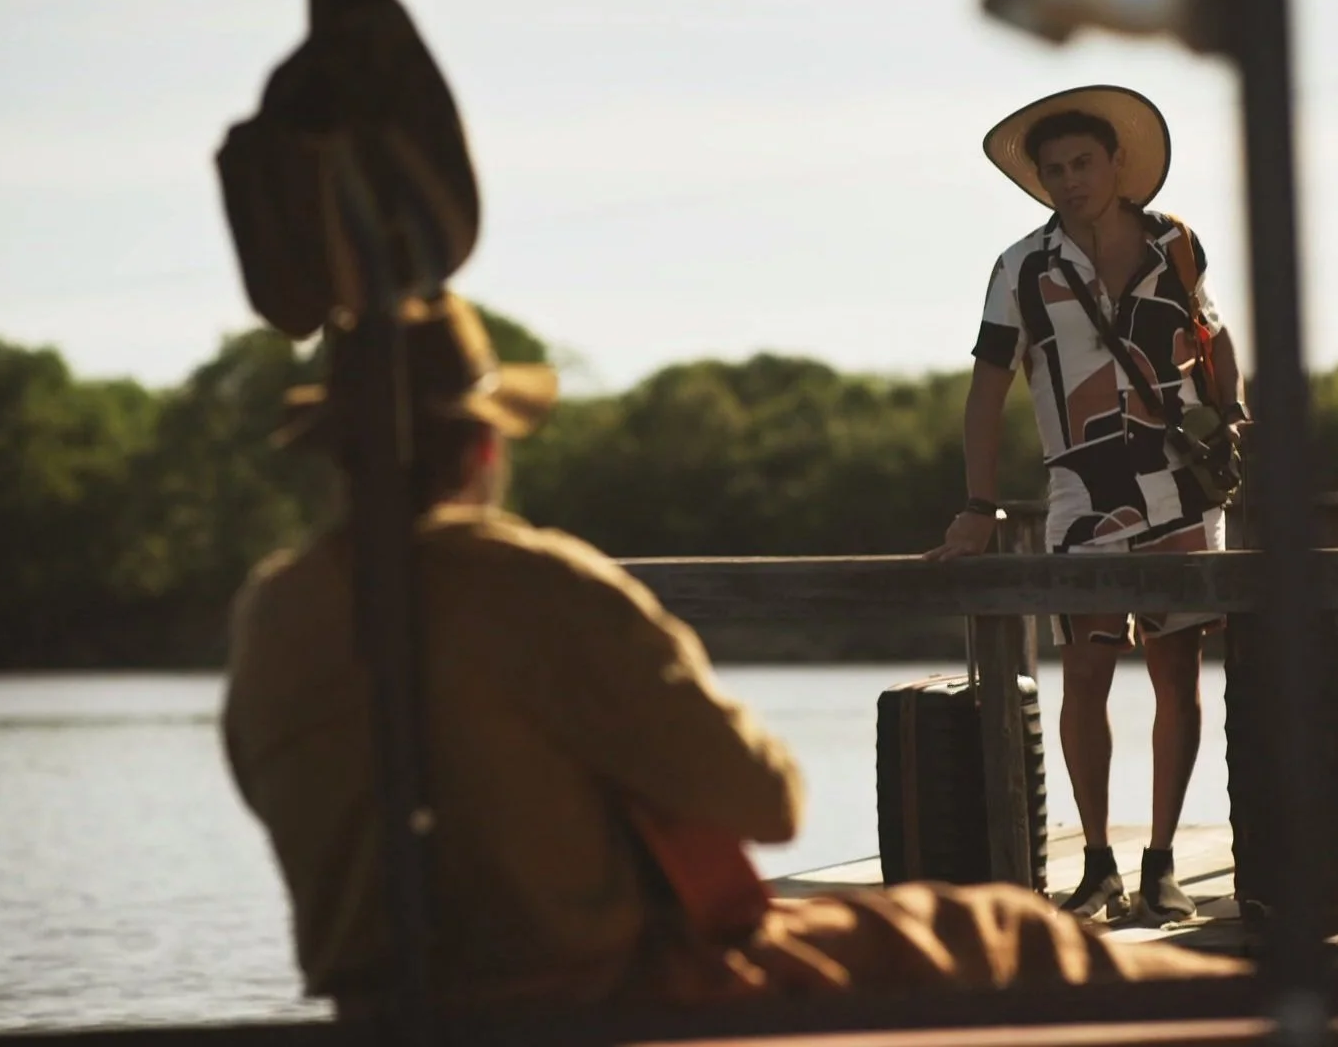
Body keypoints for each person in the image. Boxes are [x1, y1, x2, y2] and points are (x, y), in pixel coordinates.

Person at [221, 295, 1247, 1020]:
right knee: (1016, 942)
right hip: (613, 997)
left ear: (335, 453)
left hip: (382, 1001)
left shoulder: (275, 609)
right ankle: (1309, 1015)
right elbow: (766, 801)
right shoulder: (532, 584)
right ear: (485, 448)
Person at [926, 86, 1249, 927]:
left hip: (1179, 483)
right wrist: (977, 505)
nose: (1070, 181)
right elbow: (986, 393)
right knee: (1088, 673)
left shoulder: (1175, 243)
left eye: (1083, 164)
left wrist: (1237, 421)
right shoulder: (1021, 268)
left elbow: (1215, 339)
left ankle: (1162, 869)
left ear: (1117, 164)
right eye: (1054, 170)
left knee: (1178, 674)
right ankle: (1098, 865)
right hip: (1081, 488)